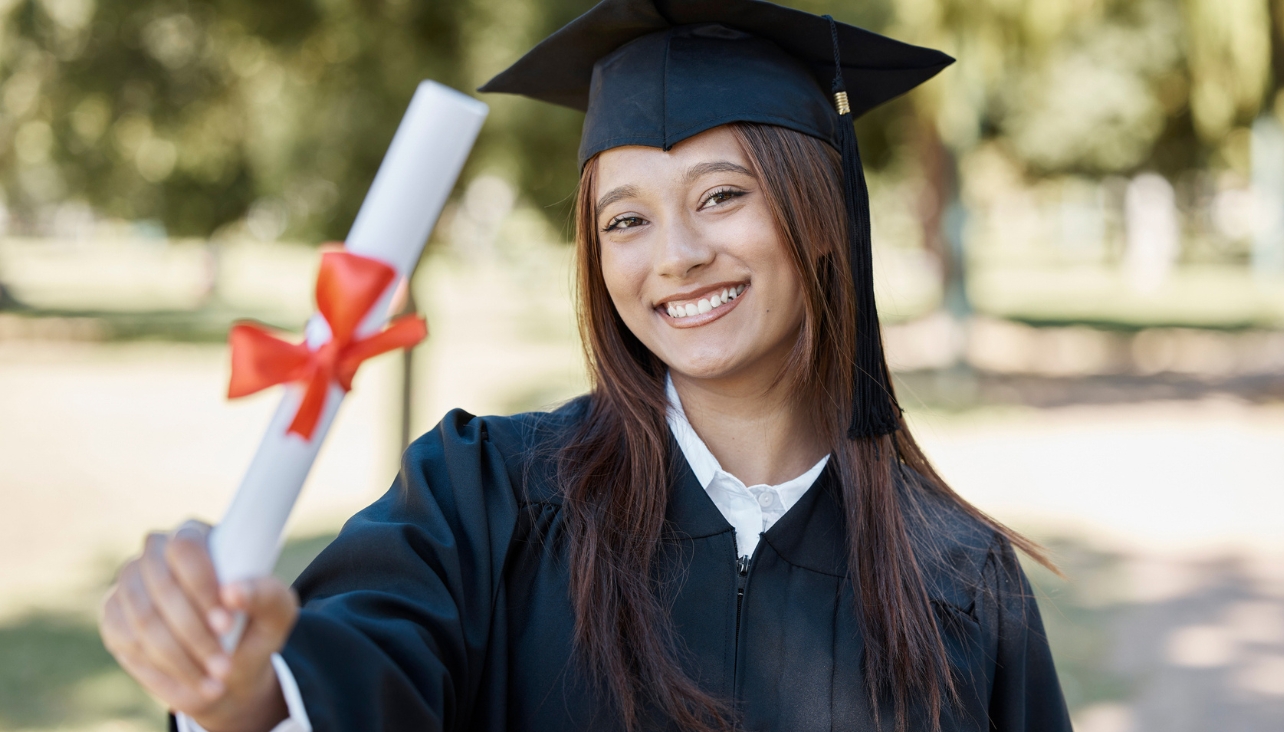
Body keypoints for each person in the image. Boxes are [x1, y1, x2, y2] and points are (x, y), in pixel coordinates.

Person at [98, 1, 1073, 730]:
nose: (676, 255)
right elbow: (345, 675)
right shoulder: (487, 498)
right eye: (626, 219)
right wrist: (240, 692)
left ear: (820, 217)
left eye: (722, 195)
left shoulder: (955, 577)